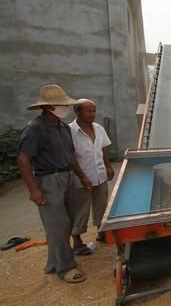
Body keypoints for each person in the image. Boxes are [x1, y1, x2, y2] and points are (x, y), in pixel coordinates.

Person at [16, 84, 92, 283]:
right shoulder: (35, 129)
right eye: (61, 105)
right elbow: (24, 159)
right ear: (48, 106)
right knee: (57, 225)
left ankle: (53, 262)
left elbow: (71, 156)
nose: (65, 108)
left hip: (67, 176)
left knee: (67, 221)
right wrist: (34, 190)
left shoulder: (63, 127)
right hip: (49, 179)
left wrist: (82, 176)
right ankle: (66, 268)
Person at [69, 99, 114, 254]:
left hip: (99, 174)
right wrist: (82, 176)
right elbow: (71, 158)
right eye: (89, 111)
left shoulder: (98, 128)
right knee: (80, 209)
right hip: (81, 178)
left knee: (101, 205)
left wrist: (108, 166)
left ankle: (101, 232)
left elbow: (104, 149)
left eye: (94, 110)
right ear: (77, 112)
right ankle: (77, 242)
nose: (92, 114)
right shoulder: (70, 131)